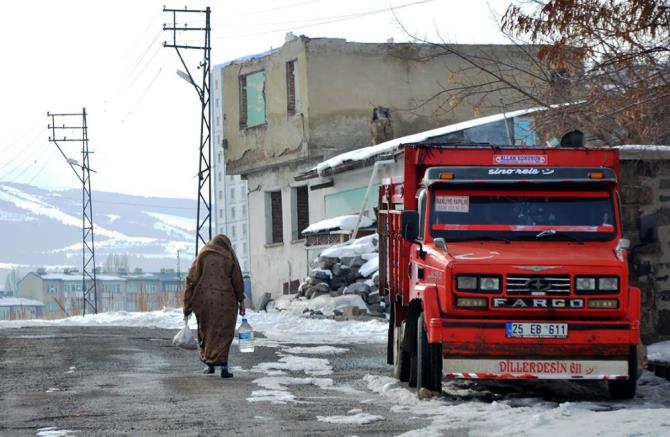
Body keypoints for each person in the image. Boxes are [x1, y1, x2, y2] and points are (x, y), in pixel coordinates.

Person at [183, 234, 246, 378]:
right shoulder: (229, 256)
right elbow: (237, 280)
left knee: (207, 331)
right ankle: (223, 366)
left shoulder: (202, 255)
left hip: (203, 300)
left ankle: (209, 363)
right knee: (223, 333)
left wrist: (187, 304)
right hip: (226, 301)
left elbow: (191, 280)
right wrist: (241, 300)